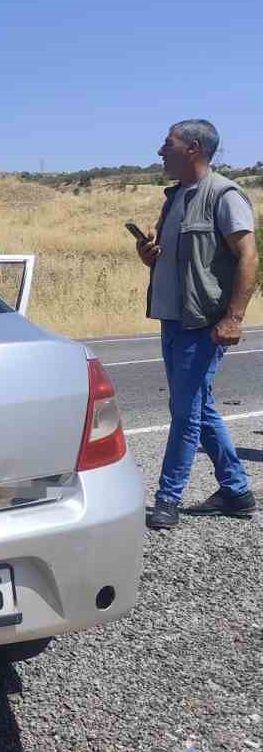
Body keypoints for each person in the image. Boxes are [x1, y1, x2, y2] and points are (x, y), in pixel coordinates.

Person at [137, 120, 258, 531]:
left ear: (192, 147)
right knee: (198, 408)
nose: (159, 151)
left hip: (203, 323)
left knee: (185, 412)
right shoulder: (174, 198)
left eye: (166, 144)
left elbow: (247, 258)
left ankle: (167, 498)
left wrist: (234, 318)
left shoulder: (225, 195)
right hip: (172, 318)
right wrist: (148, 253)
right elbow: (172, 259)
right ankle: (237, 492)